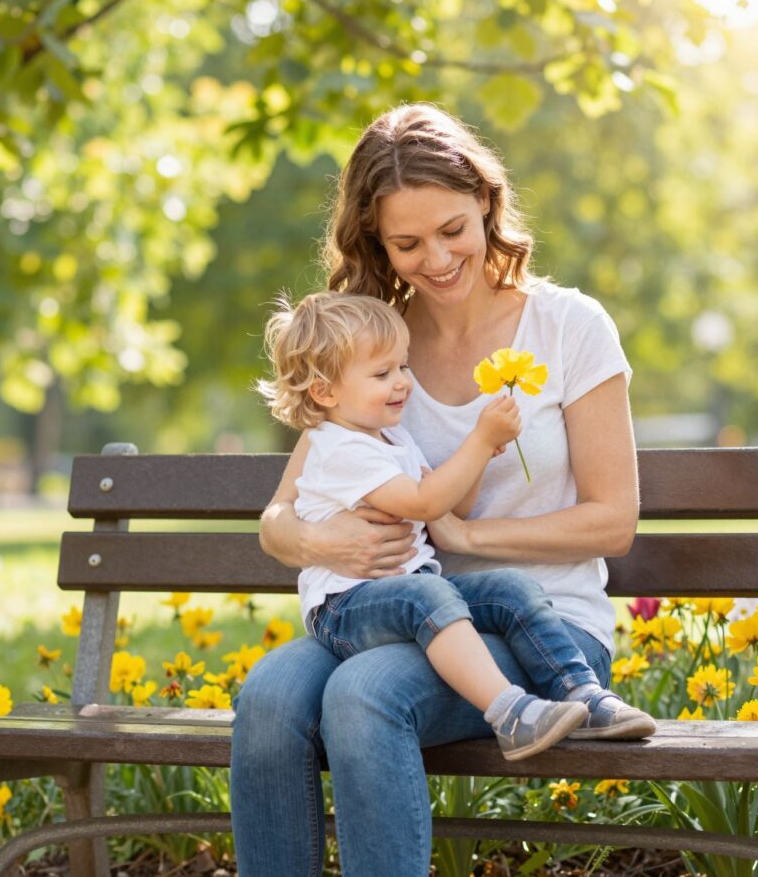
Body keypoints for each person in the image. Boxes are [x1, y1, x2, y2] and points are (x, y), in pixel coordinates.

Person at [231, 102, 640, 875]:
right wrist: (320, 540)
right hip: (392, 615)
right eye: (407, 243)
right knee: (270, 698)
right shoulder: (373, 346)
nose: (438, 258)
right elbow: (280, 514)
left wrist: (468, 537)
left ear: (486, 200)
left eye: (452, 229)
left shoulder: (569, 328)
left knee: (362, 696)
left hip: (539, 630)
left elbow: (613, 522)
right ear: (376, 243)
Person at [256, 291, 652, 761]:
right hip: (348, 607)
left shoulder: (389, 435)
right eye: (383, 374)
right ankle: (509, 713)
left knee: (509, 588)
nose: (402, 382)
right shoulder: (339, 448)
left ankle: (582, 692)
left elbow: (451, 506)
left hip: (408, 593)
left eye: (403, 367)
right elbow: (426, 502)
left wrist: (479, 457)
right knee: (426, 598)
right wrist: (479, 442)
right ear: (325, 392)